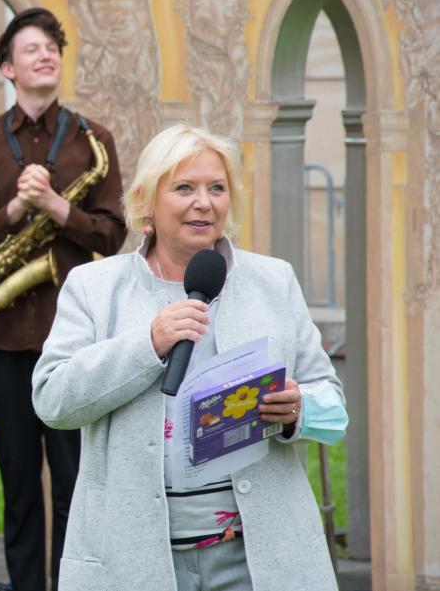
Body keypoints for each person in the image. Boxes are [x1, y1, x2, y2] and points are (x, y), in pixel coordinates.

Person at [32, 124, 348, 591]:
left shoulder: (273, 281)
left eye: (216, 188)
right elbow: (53, 401)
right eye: (184, 188)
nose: (204, 202)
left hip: (256, 559)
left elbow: (333, 407)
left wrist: (299, 410)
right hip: (134, 559)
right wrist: (149, 343)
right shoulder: (95, 288)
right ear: (146, 201)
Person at [0, 7, 127, 591]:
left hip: (75, 339)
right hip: (0, 337)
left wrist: (57, 207)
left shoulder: (92, 141)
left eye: (52, 45)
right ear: (8, 67)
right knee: (20, 486)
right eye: (31, 48)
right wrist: (14, 210)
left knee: (77, 482)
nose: (45, 53)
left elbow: (112, 233)